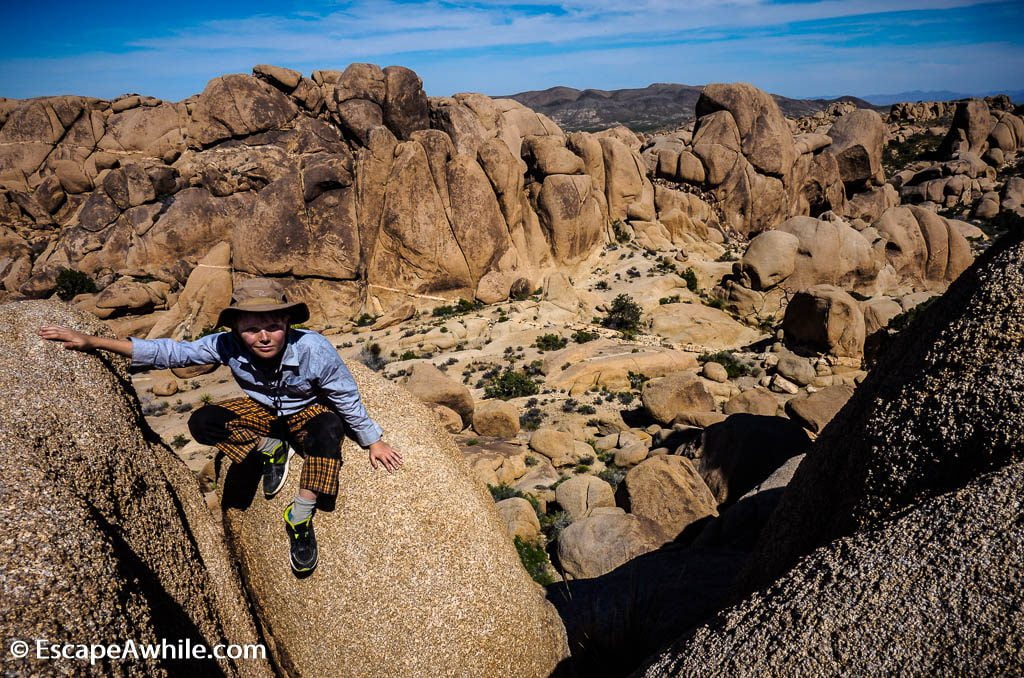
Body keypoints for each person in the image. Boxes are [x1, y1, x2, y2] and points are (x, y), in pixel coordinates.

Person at [38, 278, 402, 574]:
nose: (263, 336)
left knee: (330, 429)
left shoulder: (314, 349)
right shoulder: (225, 344)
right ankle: (269, 448)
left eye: (273, 326)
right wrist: (92, 342)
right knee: (202, 420)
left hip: (306, 412)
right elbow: (170, 353)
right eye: (252, 328)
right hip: (264, 416)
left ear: (288, 324)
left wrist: (373, 441)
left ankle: (300, 516)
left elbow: (345, 396)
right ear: (236, 328)